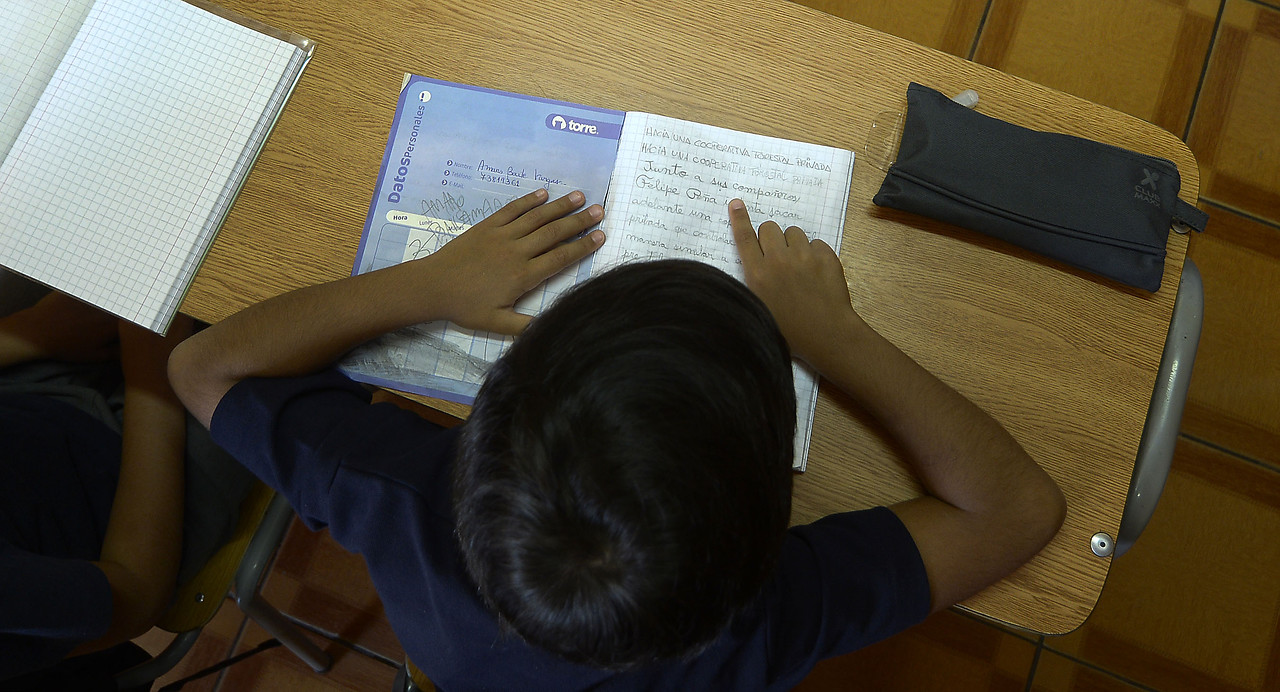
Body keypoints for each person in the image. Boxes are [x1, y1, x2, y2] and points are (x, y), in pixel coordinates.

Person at [168, 189, 1067, 689]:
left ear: (489, 414)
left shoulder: (405, 500)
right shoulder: (754, 626)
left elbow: (202, 371)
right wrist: (838, 340)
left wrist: (425, 287)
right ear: (771, 511)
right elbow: (1018, 509)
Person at [0, 285, 253, 688]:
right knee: (267, 346)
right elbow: (135, 595)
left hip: (22, 399)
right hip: (148, 504)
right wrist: (153, 381)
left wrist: (26, 332)